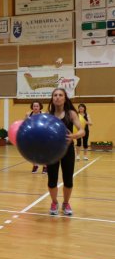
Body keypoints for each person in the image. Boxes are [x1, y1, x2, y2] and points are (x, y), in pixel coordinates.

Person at [47, 88, 84, 216]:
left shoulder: (71, 114)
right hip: (51, 151)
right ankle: (54, 202)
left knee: (68, 180)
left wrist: (72, 137)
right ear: (52, 98)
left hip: (67, 150)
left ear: (65, 98)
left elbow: (82, 131)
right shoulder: (48, 116)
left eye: (60, 95)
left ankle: (66, 203)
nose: (57, 97)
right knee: (52, 180)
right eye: (55, 95)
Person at [26, 101, 46, 174]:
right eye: (34, 106)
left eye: (37, 106)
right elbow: (26, 124)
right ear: (32, 107)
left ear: (40, 107)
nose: (35, 107)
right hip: (32, 135)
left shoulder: (43, 114)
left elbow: (46, 124)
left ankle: (45, 166)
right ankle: (35, 165)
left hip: (42, 134)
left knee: (43, 151)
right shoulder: (28, 114)